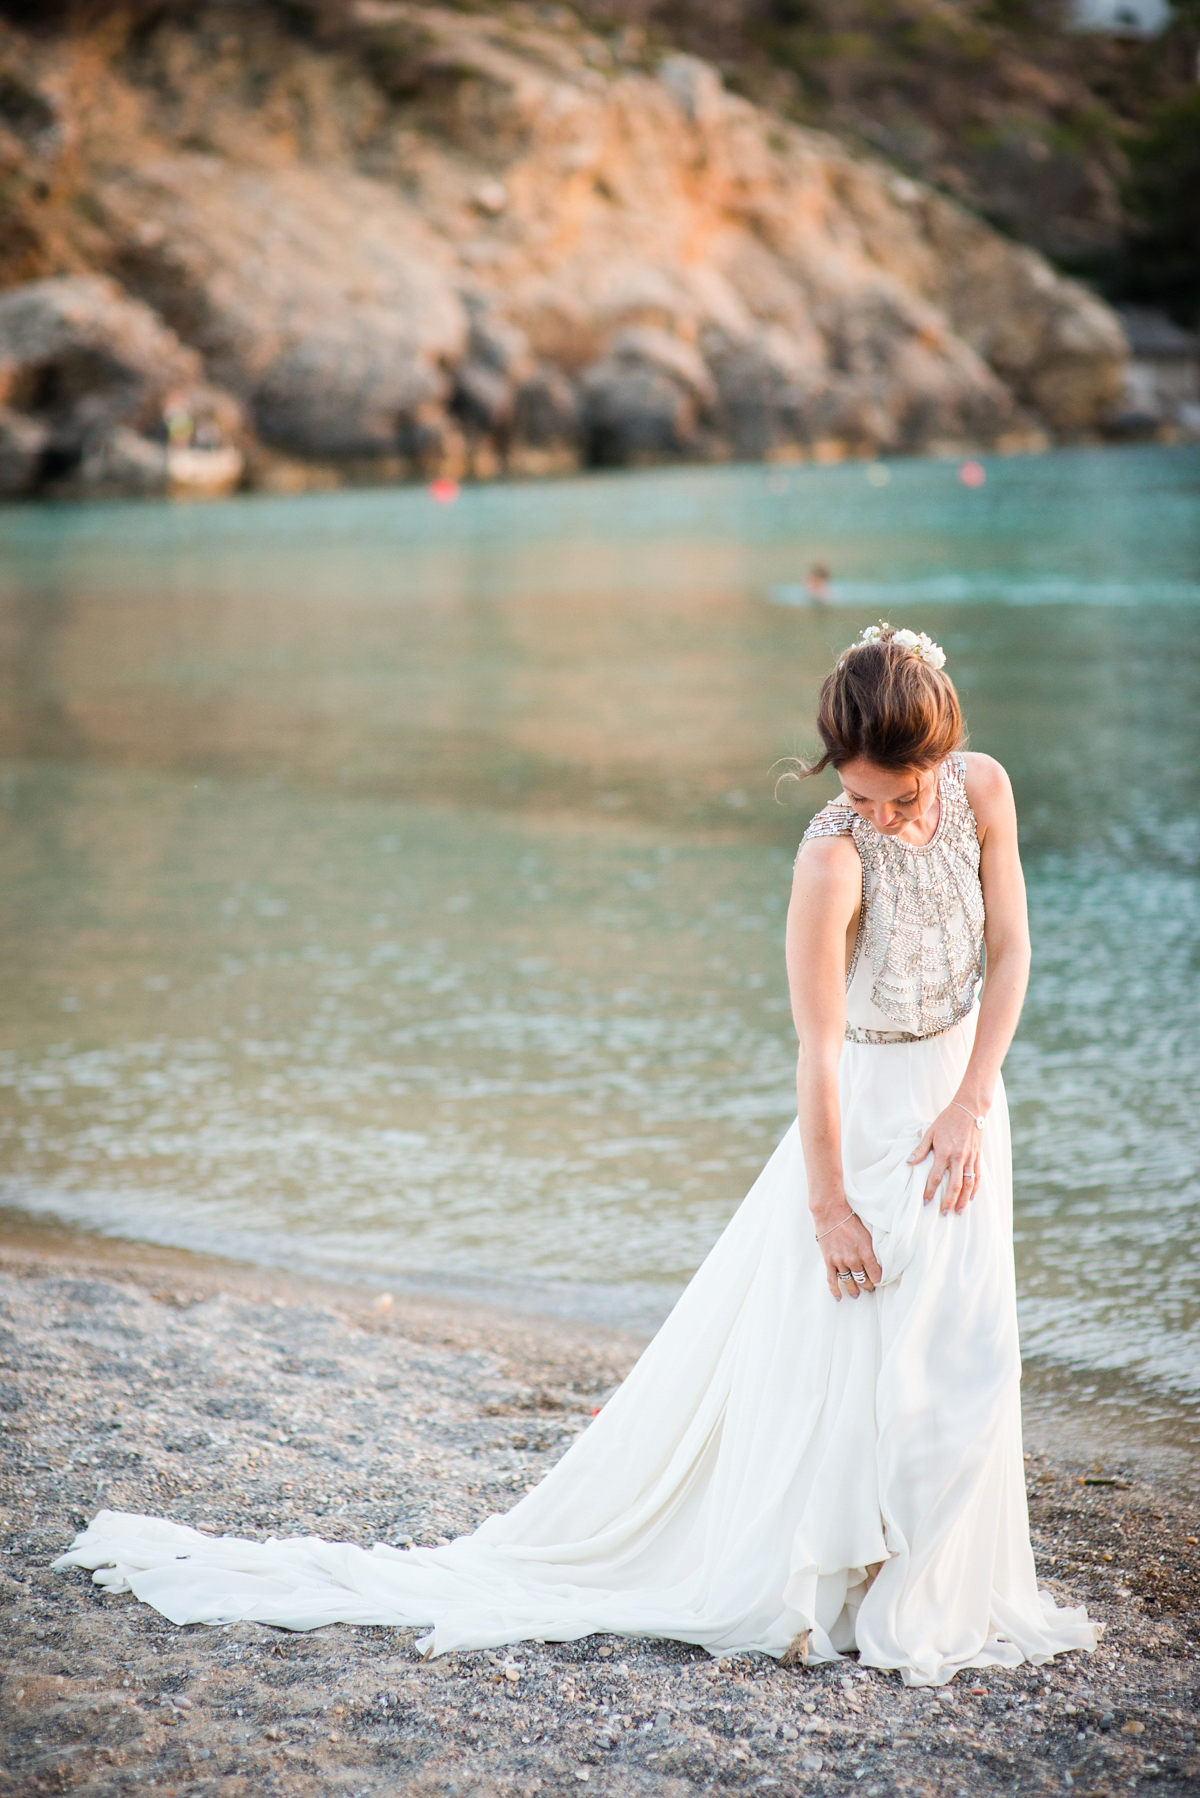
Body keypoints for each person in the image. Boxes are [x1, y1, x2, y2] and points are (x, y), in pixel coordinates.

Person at [54, 624, 1098, 1687]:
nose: (883, 814)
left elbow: (1011, 951)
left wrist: (971, 1100)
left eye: (902, 797)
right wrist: (827, 1204)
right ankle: (853, 1585)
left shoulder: (985, 792)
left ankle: (947, 1584)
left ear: (943, 756)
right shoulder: (831, 855)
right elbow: (818, 1050)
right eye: (863, 793)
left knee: (964, 1351)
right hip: (868, 1118)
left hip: (968, 1102)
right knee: (860, 1358)